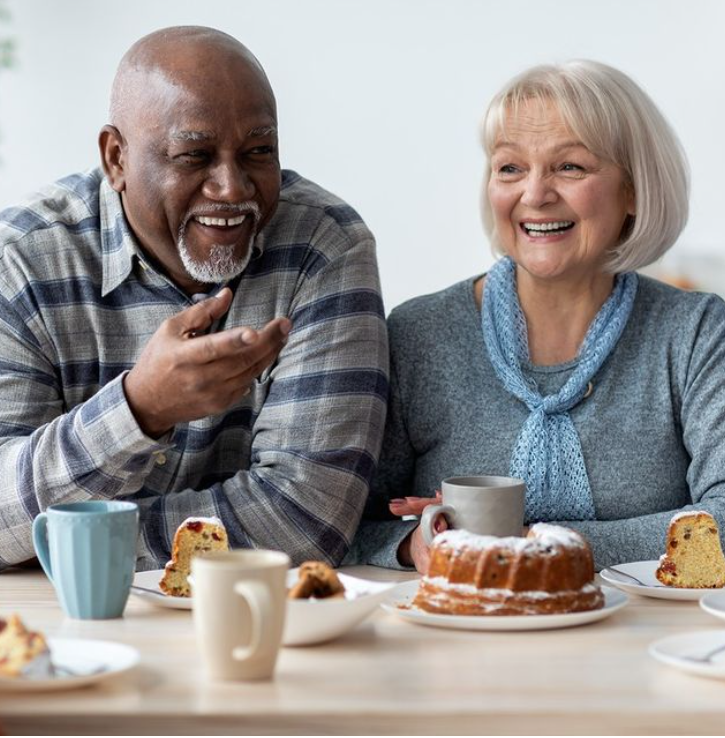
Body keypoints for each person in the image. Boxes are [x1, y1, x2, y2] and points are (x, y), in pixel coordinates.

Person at [0, 26, 388, 571]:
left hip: (258, 617)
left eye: (258, 151)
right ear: (116, 158)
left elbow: (306, 520)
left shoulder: (323, 248)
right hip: (61, 620)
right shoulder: (21, 260)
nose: (231, 186)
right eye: (194, 156)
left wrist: (77, 540)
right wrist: (140, 408)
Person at [348, 59, 725, 573]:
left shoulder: (697, 333)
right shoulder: (419, 334)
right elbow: (344, 522)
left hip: (645, 643)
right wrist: (408, 544)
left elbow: (721, 522)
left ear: (634, 189)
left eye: (570, 166)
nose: (534, 194)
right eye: (510, 168)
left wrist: (529, 543)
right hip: (457, 638)